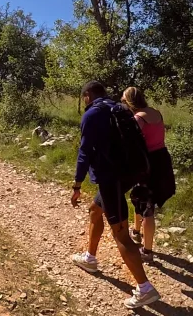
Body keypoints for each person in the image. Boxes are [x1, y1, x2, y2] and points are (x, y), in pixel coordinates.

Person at [71, 81, 160, 309]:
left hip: (112, 180)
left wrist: (77, 184)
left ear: (88, 96)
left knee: (120, 234)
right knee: (94, 209)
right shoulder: (120, 108)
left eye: (84, 98)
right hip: (128, 174)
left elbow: (84, 152)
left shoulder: (91, 115)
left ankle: (144, 288)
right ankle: (90, 258)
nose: (84, 102)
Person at [122, 87, 176, 262]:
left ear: (129, 101)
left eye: (124, 101)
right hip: (162, 158)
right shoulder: (156, 113)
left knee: (147, 206)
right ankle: (136, 232)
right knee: (140, 198)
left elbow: (128, 141)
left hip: (147, 163)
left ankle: (147, 251)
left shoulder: (138, 119)